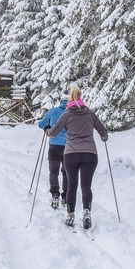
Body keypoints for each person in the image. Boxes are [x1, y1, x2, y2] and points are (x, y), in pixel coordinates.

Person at [45, 86, 108, 230]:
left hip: (71, 154)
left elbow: (54, 132)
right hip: (90, 154)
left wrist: (47, 130)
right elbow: (103, 131)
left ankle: (70, 215)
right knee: (86, 186)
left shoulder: (66, 114)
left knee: (72, 186)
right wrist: (104, 137)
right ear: (81, 98)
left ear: (70, 100)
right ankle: (86, 211)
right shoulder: (90, 114)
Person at [37, 90, 69, 210]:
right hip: (68, 146)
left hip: (54, 145)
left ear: (61, 101)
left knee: (53, 172)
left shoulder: (54, 111)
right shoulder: (71, 112)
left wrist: (48, 126)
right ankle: (65, 197)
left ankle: (55, 195)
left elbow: (41, 124)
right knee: (66, 172)